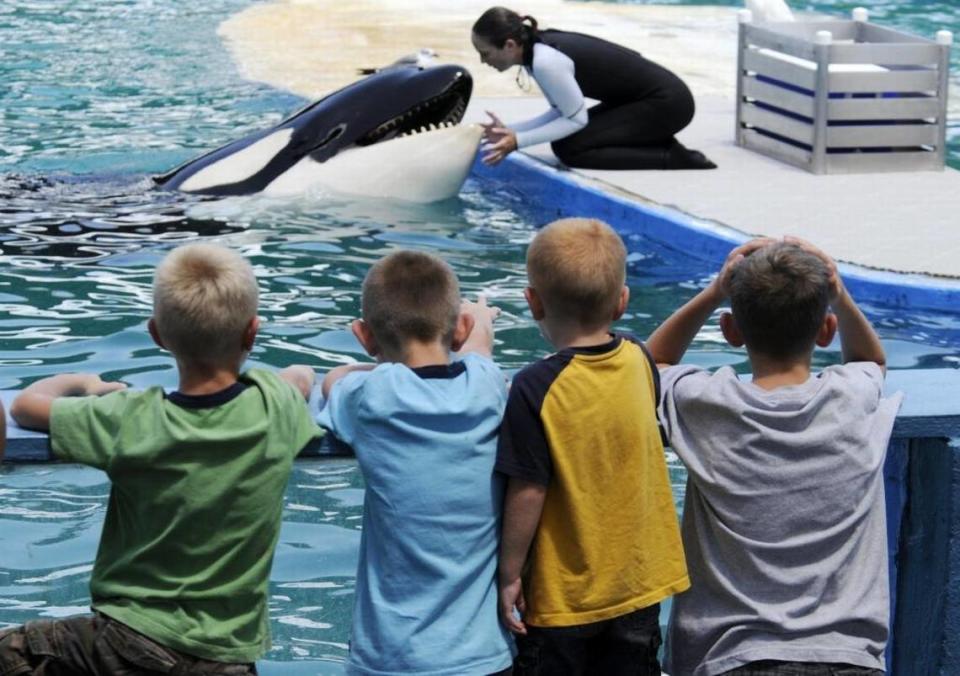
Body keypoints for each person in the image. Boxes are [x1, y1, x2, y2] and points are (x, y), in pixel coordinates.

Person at [2, 243, 322, 675]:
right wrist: (287, 377)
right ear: (252, 332)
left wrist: (86, 383)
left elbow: (26, 407)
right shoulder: (274, 405)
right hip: (228, 658)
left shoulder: (130, 418)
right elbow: (301, 377)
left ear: (156, 334)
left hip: (125, 642)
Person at [647, 237, 902, 676]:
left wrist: (712, 293)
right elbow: (871, 360)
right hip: (849, 658)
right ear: (825, 331)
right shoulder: (849, 397)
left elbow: (649, 365)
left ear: (730, 331)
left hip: (732, 659)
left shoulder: (708, 404)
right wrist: (838, 295)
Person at [496, 217, 689, 675]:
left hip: (563, 597)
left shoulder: (534, 387)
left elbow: (528, 490)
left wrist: (508, 574)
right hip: (637, 587)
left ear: (533, 302)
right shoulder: (639, 360)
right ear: (622, 302)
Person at [317, 250, 514, 675]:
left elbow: (335, 381)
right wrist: (479, 318)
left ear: (365, 336)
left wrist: (362, 366)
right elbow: (480, 346)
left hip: (391, 658)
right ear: (458, 329)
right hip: (480, 656)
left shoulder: (371, 396)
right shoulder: (486, 386)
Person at [471, 6, 716, 171]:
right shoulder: (536, 52)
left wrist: (518, 141)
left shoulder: (546, 61)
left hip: (669, 104)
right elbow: (561, 111)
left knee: (570, 149)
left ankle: (672, 156)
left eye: (485, 53)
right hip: (643, 102)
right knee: (566, 141)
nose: (484, 61)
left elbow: (575, 120)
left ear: (510, 45)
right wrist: (510, 132)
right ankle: (654, 141)